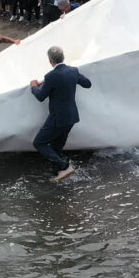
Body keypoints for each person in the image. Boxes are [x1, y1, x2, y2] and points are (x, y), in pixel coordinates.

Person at [30, 46, 92, 182]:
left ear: (50, 61)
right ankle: (60, 172)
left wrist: (33, 86)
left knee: (39, 143)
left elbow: (40, 96)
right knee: (56, 146)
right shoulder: (73, 71)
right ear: (63, 57)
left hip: (58, 117)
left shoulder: (51, 76)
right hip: (72, 116)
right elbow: (88, 84)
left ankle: (64, 165)